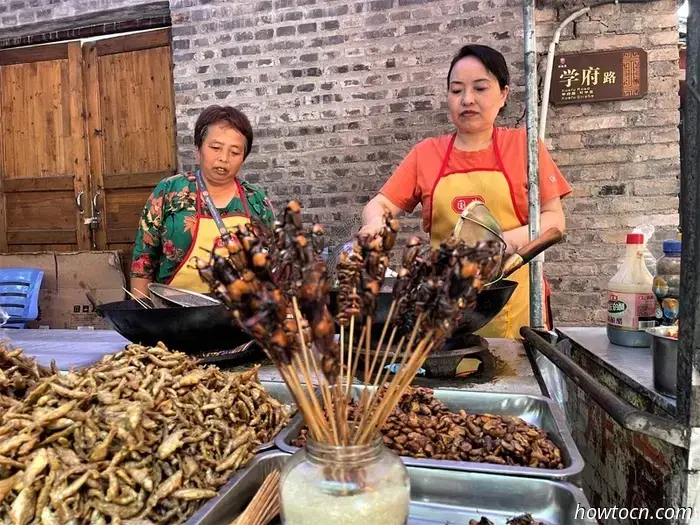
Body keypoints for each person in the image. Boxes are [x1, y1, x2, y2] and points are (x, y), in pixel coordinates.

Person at [359, 45, 571, 339]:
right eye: (456, 90)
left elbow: (554, 220)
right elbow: (381, 203)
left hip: (512, 299)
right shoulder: (426, 154)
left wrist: (502, 242)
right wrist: (374, 224)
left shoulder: (525, 147)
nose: (467, 99)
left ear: (504, 94)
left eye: (480, 88)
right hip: (444, 306)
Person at [130, 105, 275, 296]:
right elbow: (144, 259)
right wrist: (142, 315)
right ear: (198, 149)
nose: (223, 158)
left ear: (243, 158)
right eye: (215, 148)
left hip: (237, 315)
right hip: (172, 314)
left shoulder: (256, 200)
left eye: (235, 152)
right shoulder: (170, 192)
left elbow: (272, 265)